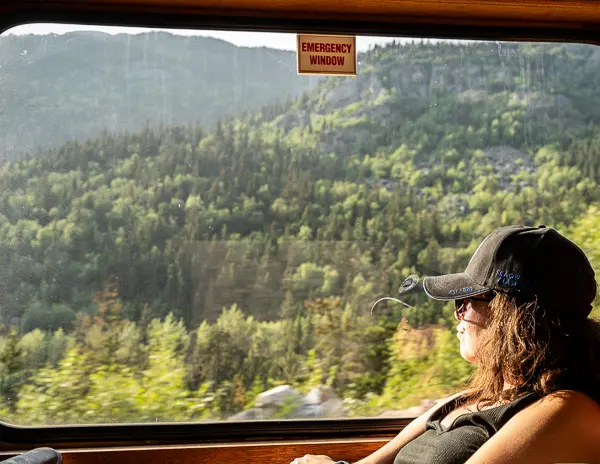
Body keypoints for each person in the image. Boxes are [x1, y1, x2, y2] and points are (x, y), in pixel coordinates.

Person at [290, 225, 600, 464]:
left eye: (469, 299)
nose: (457, 310)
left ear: (517, 317)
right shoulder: (470, 398)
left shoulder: (565, 410)